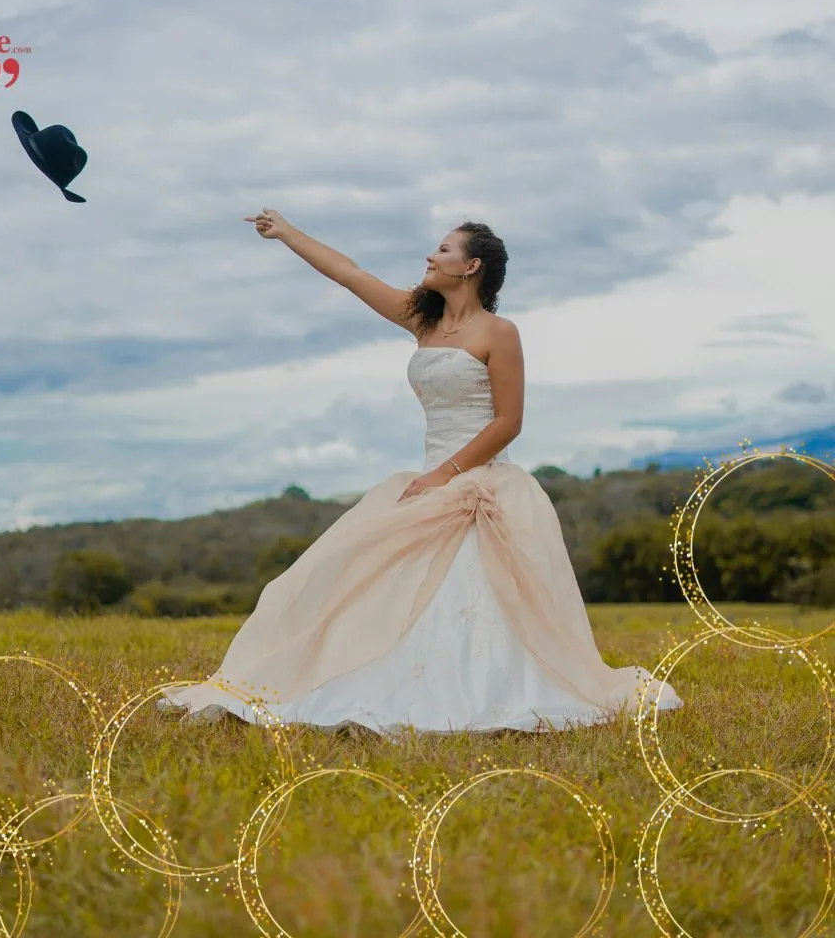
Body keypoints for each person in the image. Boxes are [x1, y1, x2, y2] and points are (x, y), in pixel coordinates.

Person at [158, 210, 683, 735]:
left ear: (471, 266)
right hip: (428, 477)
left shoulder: (500, 332)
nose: (430, 257)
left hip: (479, 481)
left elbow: (508, 421)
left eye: (444, 250)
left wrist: (446, 475)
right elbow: (349, 273)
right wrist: (287, 234)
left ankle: (487, 692)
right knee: (352, 577)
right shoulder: (423, 321)